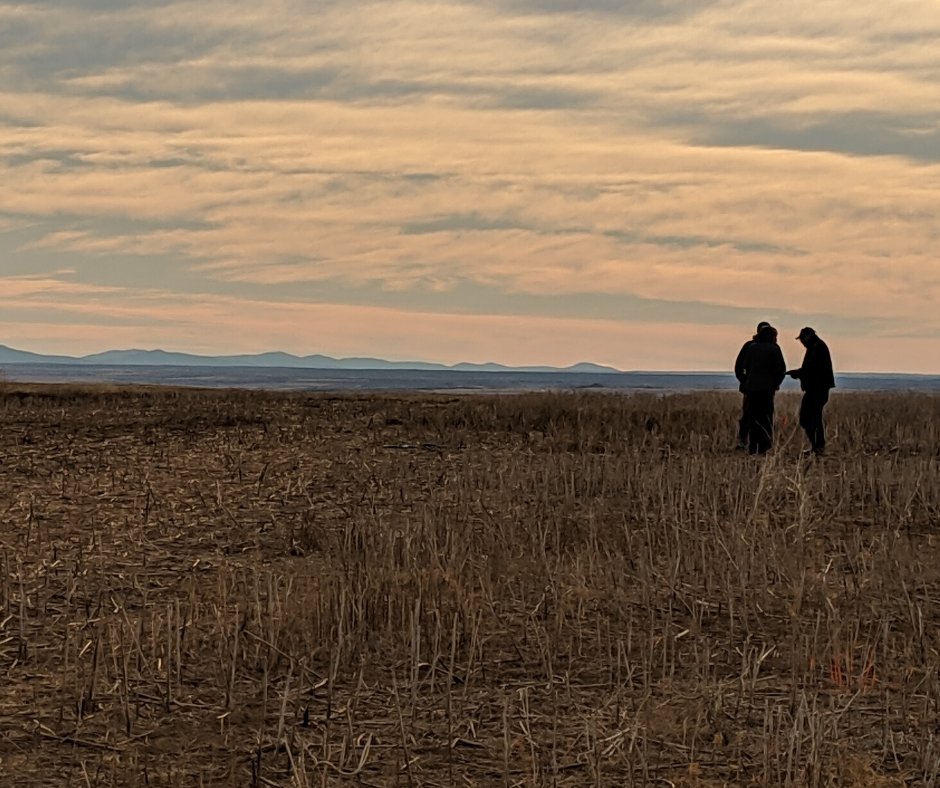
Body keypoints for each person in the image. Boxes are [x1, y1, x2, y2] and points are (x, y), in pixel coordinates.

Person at [739, 324, 787, 454]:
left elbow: (743, 366)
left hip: (752, 390)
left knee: (753, 418)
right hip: (766, 390)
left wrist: (745, 382)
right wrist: (775, 384)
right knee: (766, 418)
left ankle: (753, 446)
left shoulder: (752, 348)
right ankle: (765, 446)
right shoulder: (774, 349)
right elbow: (781, 369)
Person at [788, 327, 835, 456]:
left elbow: (811, 369)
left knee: (807, 418)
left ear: (807, 337)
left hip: (817, 389)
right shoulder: (817, 346)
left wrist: (797, 373)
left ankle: (818, 447)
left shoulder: (817, 348)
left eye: (802, 339)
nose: (802, 342)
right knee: (813, 418)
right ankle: (817, 447)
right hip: (818, 389)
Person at [734, 321, 772, 449]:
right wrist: (745, 382)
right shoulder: (750, 346)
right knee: (748, 415)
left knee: (764, 415)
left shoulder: (772, 347)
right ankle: (743, 440)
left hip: (763, 389)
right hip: (752, 389)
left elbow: (778, 369)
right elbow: (739, 367)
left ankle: (764, 442)